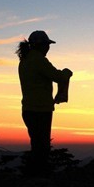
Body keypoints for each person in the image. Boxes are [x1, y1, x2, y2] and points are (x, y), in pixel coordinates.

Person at [16, 30, 72, 176]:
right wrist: (67, 73)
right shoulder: (38, 59)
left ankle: (35, 174)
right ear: (41, 45)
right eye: (47, 44)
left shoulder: (25, 60)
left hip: (28, 109)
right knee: (42, 146)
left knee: (37, 143)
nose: (48, 48)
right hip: (40, 109)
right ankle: (40, 176)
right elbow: (56, 76)